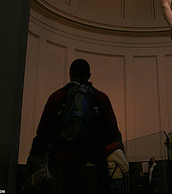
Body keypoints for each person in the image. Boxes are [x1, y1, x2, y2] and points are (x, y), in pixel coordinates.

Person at [32, 59, 122, 194]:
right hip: (91, 165)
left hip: (61, 164)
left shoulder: (57, 97)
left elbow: (42, 132)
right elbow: (112, 134)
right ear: (89, 75)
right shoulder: (100, 98)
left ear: (71, 74)